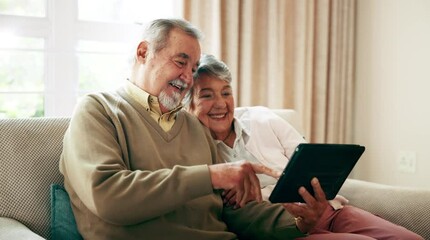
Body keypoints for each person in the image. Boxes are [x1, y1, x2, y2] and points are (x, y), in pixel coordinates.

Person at [59, 18, 328, 240]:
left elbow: (231, 214)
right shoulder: (97, 111)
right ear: (143, 53)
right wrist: (211, 176)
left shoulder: (193, 127)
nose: (188, 77)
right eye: (180, 62)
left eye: (194, 67)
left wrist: (297, 220)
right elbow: (109, 198)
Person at [186, 54, 424, 240]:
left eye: (226, 92)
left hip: (328, 210)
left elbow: (311, 161)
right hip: (284, 227)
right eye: (207, 95)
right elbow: (237, 214)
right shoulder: (194, 151)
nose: (220, 103)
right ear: (190, 105)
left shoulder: (261, 118)